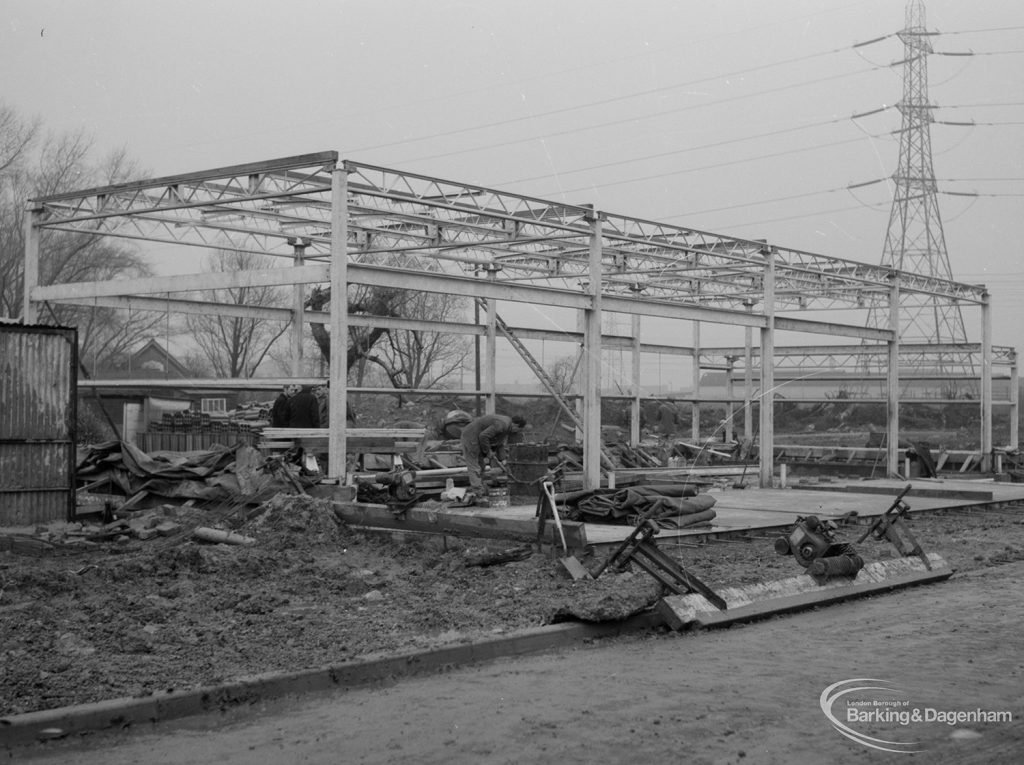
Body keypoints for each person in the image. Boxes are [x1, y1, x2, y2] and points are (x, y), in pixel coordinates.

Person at [460, 413, 526, 502]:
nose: (515, 432)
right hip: (470, 438)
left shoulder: (506, 427)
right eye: (517, 430)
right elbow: (483, 436)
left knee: (482, 467)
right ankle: (478, 494)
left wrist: (503, 459)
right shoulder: (502, 424)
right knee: (475, 467)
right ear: (516, 425)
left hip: (477, 438)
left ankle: (481, 490)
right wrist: (488, 451)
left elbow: (500, 443)